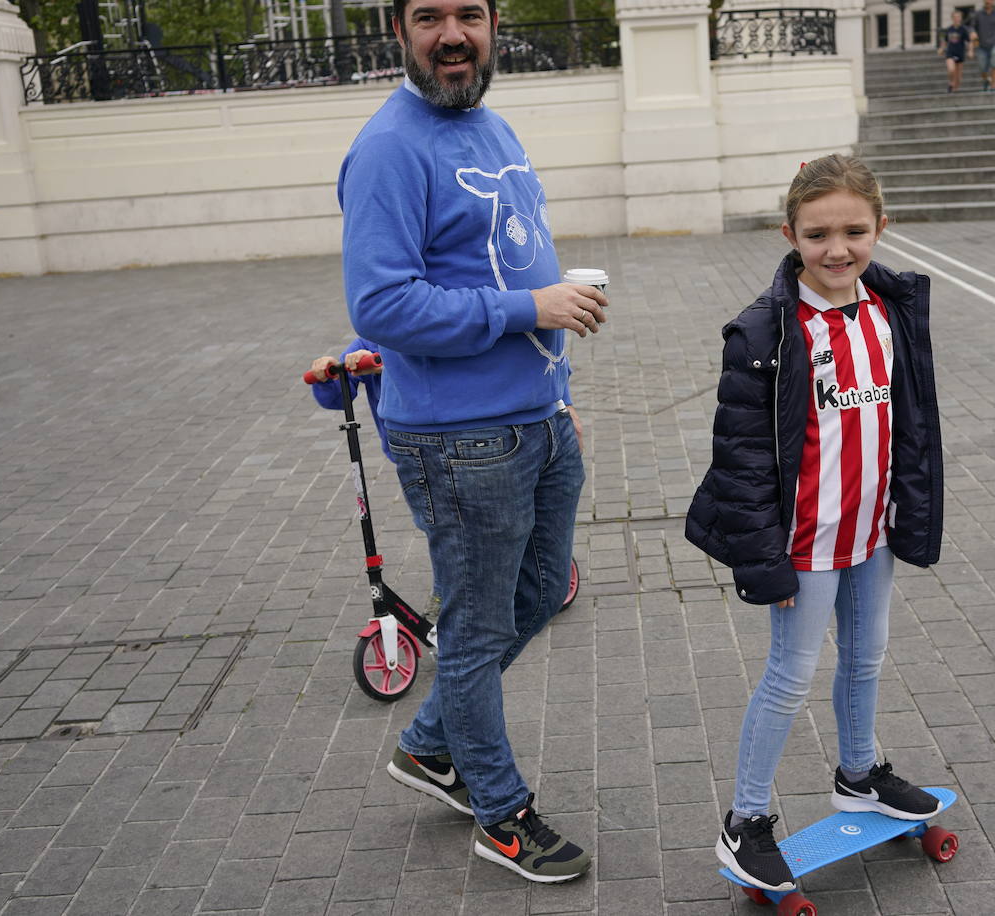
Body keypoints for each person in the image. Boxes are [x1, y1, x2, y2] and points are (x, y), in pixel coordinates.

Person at [337, 0, 607, 885]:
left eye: (469, 14)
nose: (452, 34)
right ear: (398, 31)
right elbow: (382, 305)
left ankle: (429, 748)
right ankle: (499, 811)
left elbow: (500, 253)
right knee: (478, 626)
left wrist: (555, 385)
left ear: (492, 25)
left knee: (536, 594)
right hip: (461, 442)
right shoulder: (388, 148)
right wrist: (530, 309)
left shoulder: (491, 125)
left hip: (538, 419)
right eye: (429, 16)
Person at [685, 154, 945, 893]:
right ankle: (746, 821)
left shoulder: (891, 311)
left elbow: (910, 426)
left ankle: (859, 774)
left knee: (866, 659)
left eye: (855, 231)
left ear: (881, 228)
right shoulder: (765, 333)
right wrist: (766, 562)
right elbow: (739, 461)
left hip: (873, 533)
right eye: (819, 233)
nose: (838, 249)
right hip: (804, 545)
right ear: (790, 233)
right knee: (788, 679)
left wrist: (910, 516)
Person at [309, 338, 388, 457]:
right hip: (402, 448)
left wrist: (383, 366)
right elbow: (340, 398)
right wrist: (330, 375)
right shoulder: (369, 341)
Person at [971, 0, 995, 92]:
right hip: (981, 45)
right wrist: (972, 32)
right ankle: (986, 80)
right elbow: (972, 26)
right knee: (982, 68)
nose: (988, 1)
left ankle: (993, 87)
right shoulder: (977, 14)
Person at [939, 10, 971, 93]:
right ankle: (951, 83)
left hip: (960, 53)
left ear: (961, 18)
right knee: (951, 69)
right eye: (955, 17)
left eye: (958, 17)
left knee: (958, 77)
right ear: (952, 18)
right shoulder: (949, 29)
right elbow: (944, 41)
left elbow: (969, 41)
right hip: (950, 53)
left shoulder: (964, 29)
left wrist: (970, 50)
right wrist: (942, 48)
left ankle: (954, 89)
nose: (956, 19)